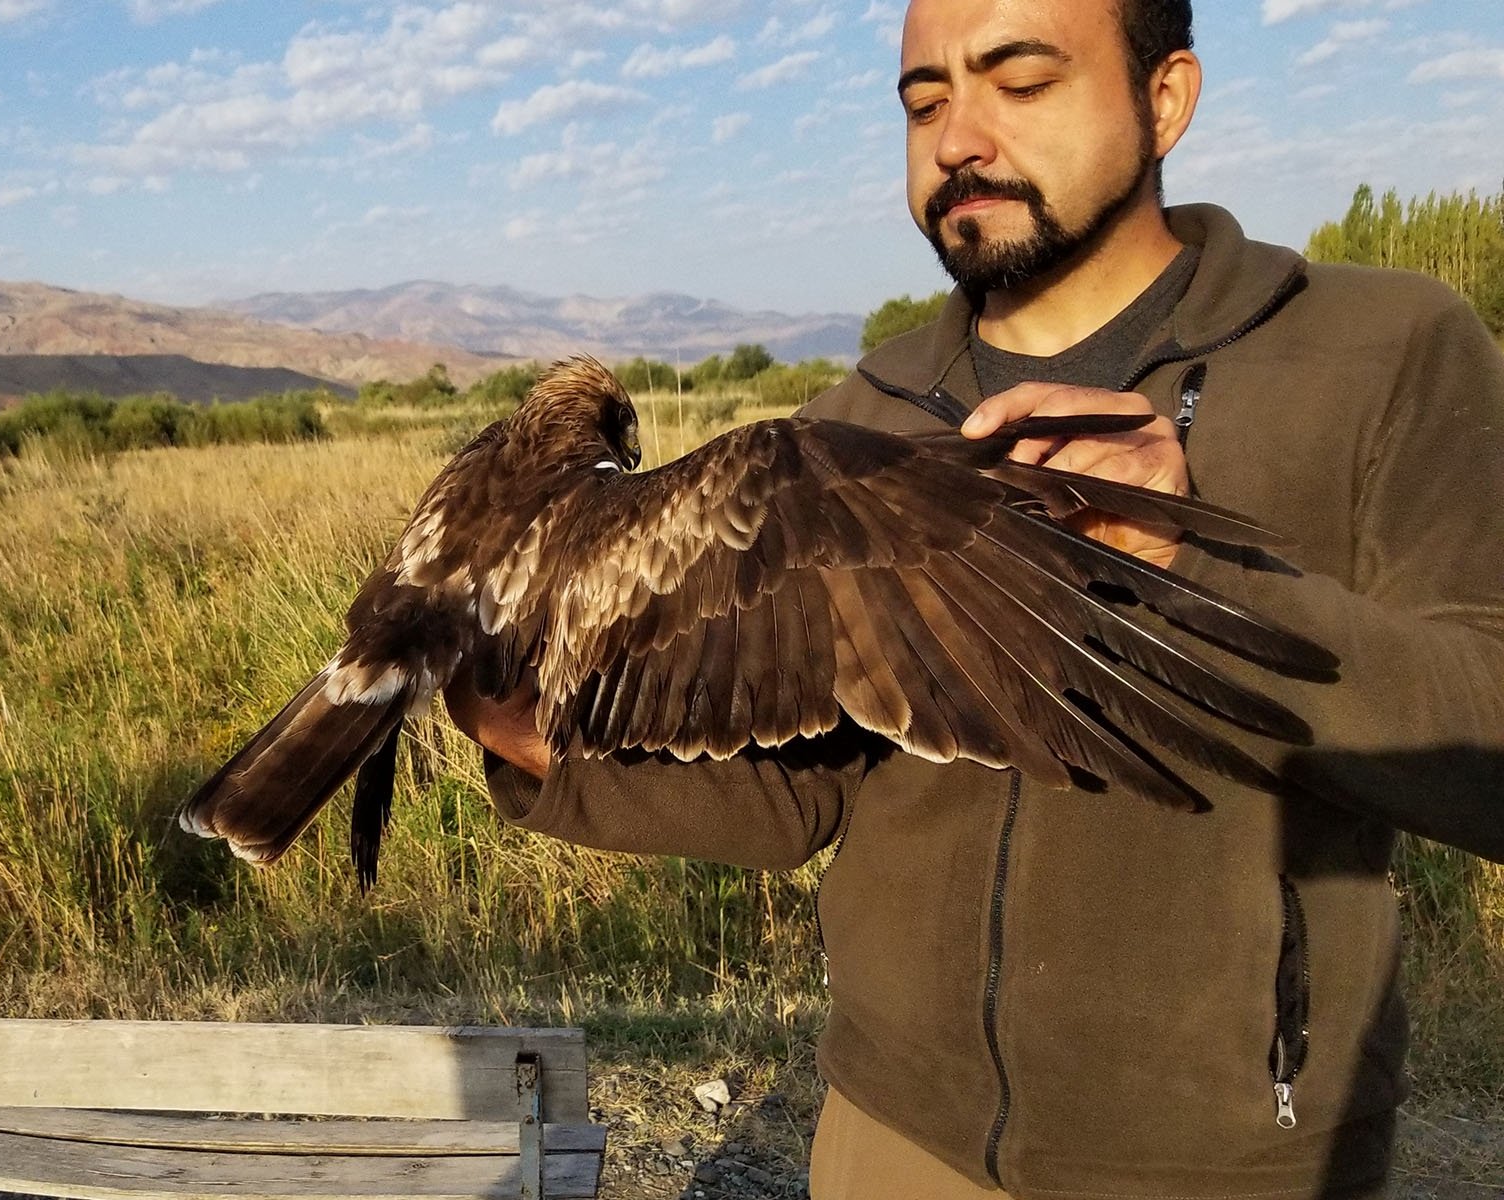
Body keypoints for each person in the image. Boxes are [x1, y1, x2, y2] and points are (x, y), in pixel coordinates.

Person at [446, 0, 1504, 1196]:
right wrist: (528, 739)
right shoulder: (860, 419)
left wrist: (1182, 565)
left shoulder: (1381, 350)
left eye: (1019, 78)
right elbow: (800, 794)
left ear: (1166, 96)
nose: (956, 137)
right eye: (923, 99)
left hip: (1223, 1162)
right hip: (892, 1137)